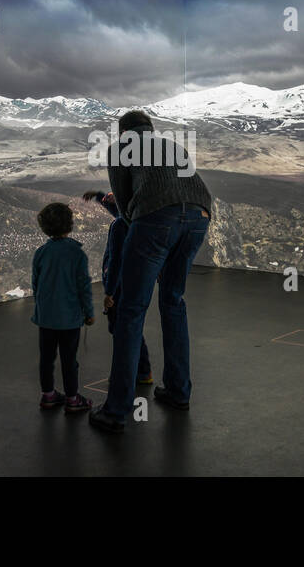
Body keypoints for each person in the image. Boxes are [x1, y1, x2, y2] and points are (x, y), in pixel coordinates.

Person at [90, 111, 212, 434]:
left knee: (130, 311)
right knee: (173, 301)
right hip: (200, 215)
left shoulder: (121, 148)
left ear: (124, 130)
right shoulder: (172, 145)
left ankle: (115, 411)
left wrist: (146, 249)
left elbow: (128, 209)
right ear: (150, 128)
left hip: (156, 217)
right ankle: (178, 391)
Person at [83, 190, 153, 385]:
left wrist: (109, 292)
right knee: (132, 326)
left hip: (120, 287)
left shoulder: (119, 226)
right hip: (138, 282)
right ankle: (143, 371)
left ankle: (126, 375)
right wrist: (99, 196)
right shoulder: (139, 220)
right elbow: (120, 213)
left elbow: (116, 261)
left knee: (121, 331)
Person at [30, 202, 94, 414]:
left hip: (46, 317)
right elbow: (84, 287)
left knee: (46, 359)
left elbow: (36, 284)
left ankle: (48, 396)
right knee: (69, 360)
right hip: (69, 319)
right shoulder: (77, 254)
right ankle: (73, 400)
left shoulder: (40, 252)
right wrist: (89, 313)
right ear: (70, 224)